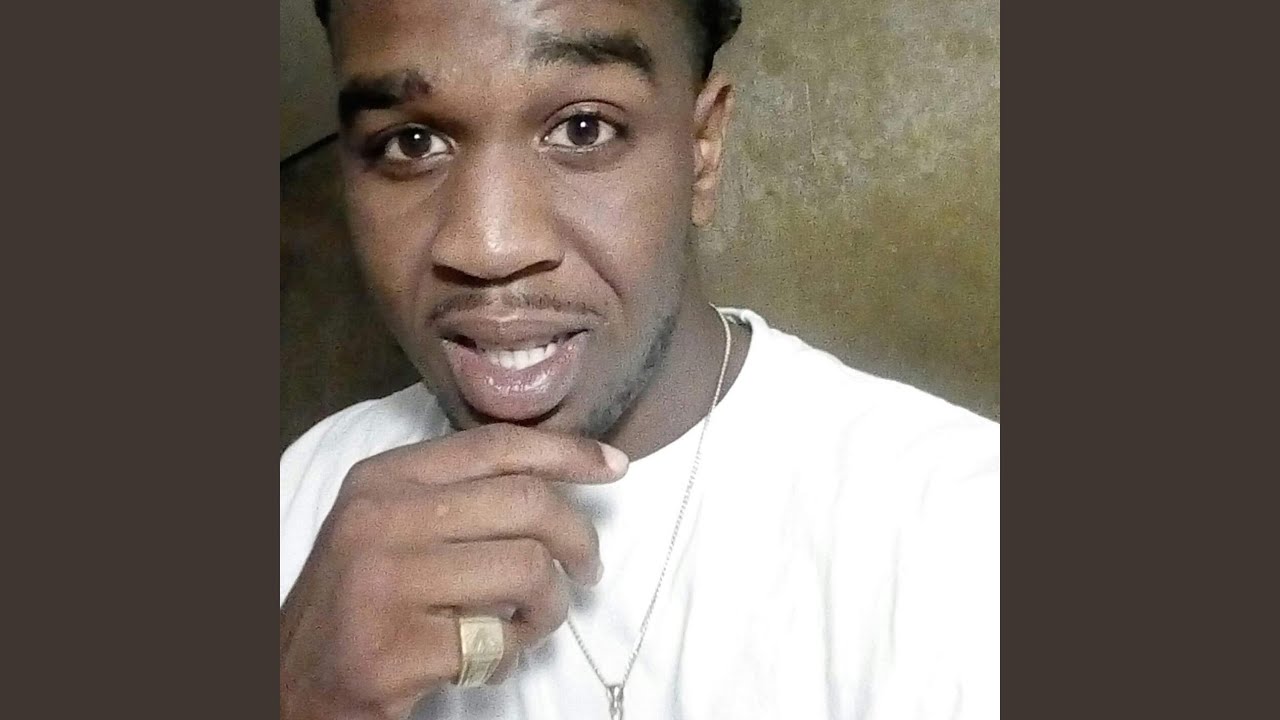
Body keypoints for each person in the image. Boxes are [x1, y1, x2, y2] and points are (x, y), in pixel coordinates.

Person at [279, 0, 1000, 718]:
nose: (490, 247)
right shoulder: (306, 493)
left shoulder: (961, 536)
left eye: (582, 129)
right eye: (410, 144)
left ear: (703, 148)